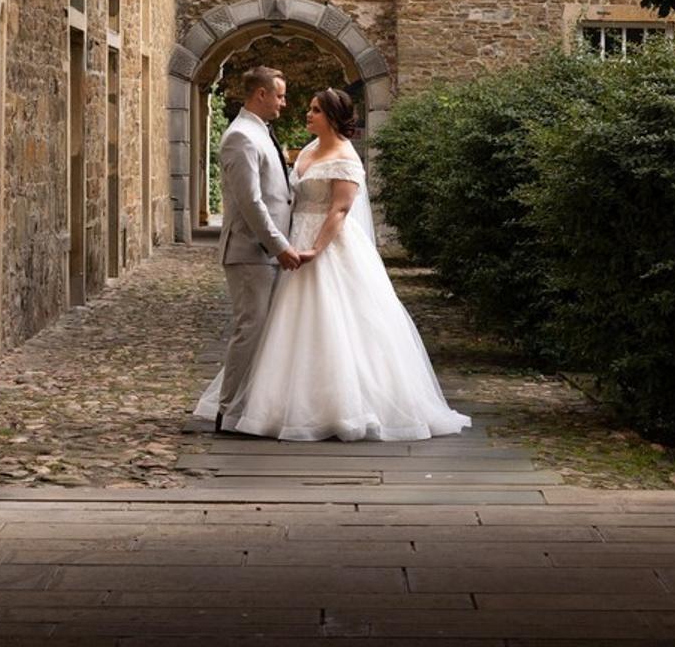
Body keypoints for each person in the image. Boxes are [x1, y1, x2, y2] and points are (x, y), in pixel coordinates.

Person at [197, 88, 470, 442]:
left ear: (332, 117)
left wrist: (316, 248)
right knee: (289, 322)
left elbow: (340, 209)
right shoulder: (308, 150)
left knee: (335, 320)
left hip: (329, 245)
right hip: (296, 239)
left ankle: (342, 405)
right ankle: (281, 400)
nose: (307, 114)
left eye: (315, 110)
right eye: (310, 108)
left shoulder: (346, 156)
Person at [210, 66, 300, 433]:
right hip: (250, 251)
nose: (283, 103)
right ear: (261, 94)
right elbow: (250, 201)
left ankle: (251, 406)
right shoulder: (240, 137)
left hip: (265, 253)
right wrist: (279, 246)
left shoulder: (260, 131)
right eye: (279, 95)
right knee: (250, 329)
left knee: (263, 331)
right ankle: (228, 412)